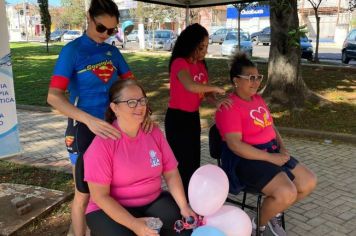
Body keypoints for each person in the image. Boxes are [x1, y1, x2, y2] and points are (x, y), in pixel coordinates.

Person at [47, 0, 152, 235]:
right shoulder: (72, 51)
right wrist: (89, 120)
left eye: (112, 30)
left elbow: (131, 85)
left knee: (109, 192)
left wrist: (142, 110)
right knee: (83, 195)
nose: (106, 34)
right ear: (89, 18)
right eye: (101, 28)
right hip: (84, 129)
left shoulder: (112, 51)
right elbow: (54, 97)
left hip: (113, 129)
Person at [215, 53, 317, 236]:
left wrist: (282, 148)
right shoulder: (229, 107)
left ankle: (270, 212)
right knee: (287, 192)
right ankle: (257, 226)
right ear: (236, 81)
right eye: (251, 78)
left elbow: (270, 125)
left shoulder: (257, 99)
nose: (256, 82)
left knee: (308, 182)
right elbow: (235, 145)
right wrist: (271, 157)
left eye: (258, 77)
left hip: (270, 151)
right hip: (245, 160)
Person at [84, 79, 196, 236]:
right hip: (107, 208)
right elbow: (100, 196)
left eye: (142, 100)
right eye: (131, 102)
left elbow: (171, 173)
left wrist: (184, 206)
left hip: (152, 200)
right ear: (114, 107)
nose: (140, 106)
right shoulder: (103, 143)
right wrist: (133, 224)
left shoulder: (153, 132)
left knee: (183, 229)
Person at [164, 23, 230, 195]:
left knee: (193, 163)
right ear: (190, 44)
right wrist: (214, 87)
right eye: (201, 47)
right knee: (181, 164)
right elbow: (190, 86)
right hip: (177, 118)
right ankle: (180, 203)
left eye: (207, 47)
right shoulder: (179, 63)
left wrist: (215, 101)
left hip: (192, 117)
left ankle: (192, 200)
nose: (204, 51)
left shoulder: (201, 65)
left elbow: (203, 92)